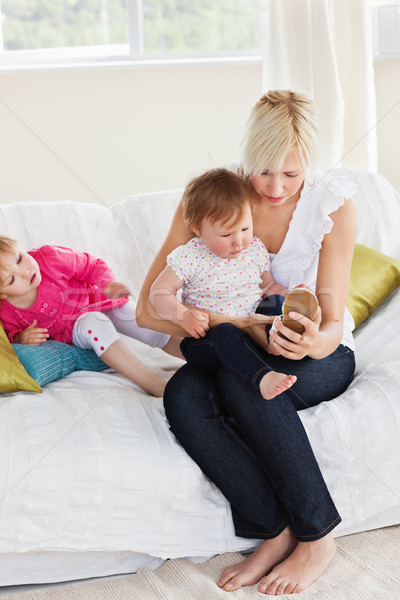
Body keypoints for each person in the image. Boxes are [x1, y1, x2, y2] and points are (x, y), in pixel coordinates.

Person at [137, 89, 357, 595]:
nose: (275, 187)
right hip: (233, 344)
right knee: (183, 396)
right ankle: (274, 531)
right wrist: (233, 324)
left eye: (292, 174)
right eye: (263, 171)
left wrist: (306, 345)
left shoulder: (334, 204)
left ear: (311, 166)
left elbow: (329, 316)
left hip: (316, 351)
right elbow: (149, 309)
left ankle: (318, 536)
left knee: (249, 387)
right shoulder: (216, 197)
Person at [149, 167, 298, 400]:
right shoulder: (190, 256)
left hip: (252, 332)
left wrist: (291, 296)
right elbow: (158, 293)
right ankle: (262, 377)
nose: (238, 242)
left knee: (276, 303)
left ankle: (275, 347)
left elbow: (268, 287)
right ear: (198, 229)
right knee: (226, 332)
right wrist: (183, 316)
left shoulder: (254, 248)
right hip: (209, 340)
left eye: (245, 228)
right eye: (227, 235)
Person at [0, 237, 176, 397]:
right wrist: (19, 337)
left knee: (141, 322)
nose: (24, 271)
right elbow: (8, 336)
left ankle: (195, 354)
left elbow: (91, 266)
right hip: (76, 333)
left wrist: (107, 283)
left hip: (99, 302)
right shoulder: (5, 312)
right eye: (11, 280)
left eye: (19, 259)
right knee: (93, 322)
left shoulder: (49, 257)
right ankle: (154, 385)